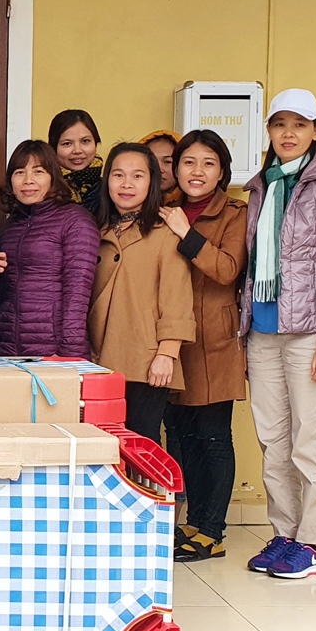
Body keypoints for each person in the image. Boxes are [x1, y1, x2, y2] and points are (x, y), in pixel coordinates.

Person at [241, 89, 316, 579]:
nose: (288, 133)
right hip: (263, 331)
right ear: (269, 131)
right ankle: (284, 534)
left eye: (299, 124)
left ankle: (312, 543)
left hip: (312, 333)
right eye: (279, 124)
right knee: (274, 441)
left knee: (311, 440)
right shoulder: (261, 186)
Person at [159, 130, 247, 562]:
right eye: (189, 162)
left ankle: (213, 530)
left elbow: (227, 269)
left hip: (214, 340)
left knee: (212, 436)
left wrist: (186, 233)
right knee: (182, 435)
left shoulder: (234, 213)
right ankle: (193, 523)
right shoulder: (164, 209)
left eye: (209, 163)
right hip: (174, 339)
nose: (197, 171)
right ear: (176, 168)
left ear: (222, 172)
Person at [88, 142, 195, 442]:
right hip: (98, 358)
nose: (127, 184)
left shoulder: (166, 232)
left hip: (146, 360)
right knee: (102, 445)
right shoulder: (95, 230)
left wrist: (167, 353)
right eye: (118, 175)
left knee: (141, 445)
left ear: (152, 182)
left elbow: (177, 298)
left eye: (137, 176)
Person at [0, 139, 99, 357]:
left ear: (53, 177)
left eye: (38, 171)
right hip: (7, 349)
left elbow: (77, 294)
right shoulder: (12, 224)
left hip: (54, 351)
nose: (28, 180)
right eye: (19, 172)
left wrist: (70, 354)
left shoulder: (75, 221)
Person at [47, 109, 103, 214]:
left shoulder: (109, 191)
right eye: (67, 143)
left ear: (95, 144)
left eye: (85, 141)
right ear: (53, 148)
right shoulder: (42, 189)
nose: (77, 150)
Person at [140, 130, 182, 205]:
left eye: (167, 162)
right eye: (152, 161)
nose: (158, 169)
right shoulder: (127, 202)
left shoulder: (192, 204)